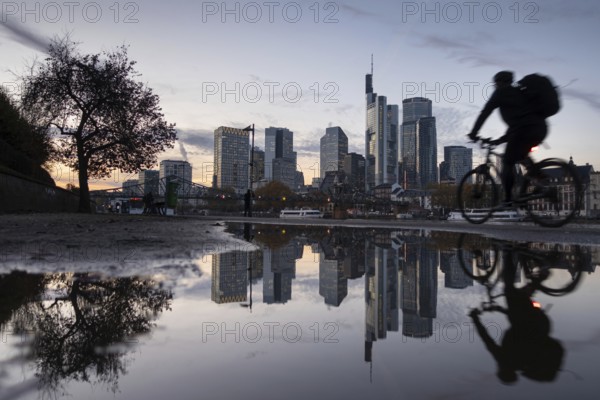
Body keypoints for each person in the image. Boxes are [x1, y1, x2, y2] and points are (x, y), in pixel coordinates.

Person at [469, 249, 564, 384]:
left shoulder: (524, 364)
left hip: (541, 325)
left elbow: (518, 328)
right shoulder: (504, 359)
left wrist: (500, 309)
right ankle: (510, 252)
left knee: (521, 297)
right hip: (527, 323)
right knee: (509, 289)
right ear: (502, 371)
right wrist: (475, 318)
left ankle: (537, 267)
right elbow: (487, 339)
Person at [468, 71, 547, 207]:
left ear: (499, 82)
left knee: (507, 161)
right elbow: (516, 124)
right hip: (539, 127)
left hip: (525, 130)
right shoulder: (519, 93)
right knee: (521, 155)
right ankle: (539, 181)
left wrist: (474, 133)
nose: (495, 86)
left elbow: (485, 113)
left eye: (495, 84)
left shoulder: (501, 93)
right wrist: (499, 140)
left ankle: (508, 198)